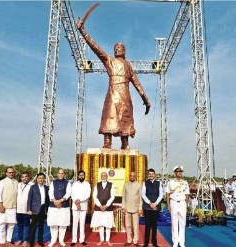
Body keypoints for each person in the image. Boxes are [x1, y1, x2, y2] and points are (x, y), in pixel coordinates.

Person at [76, 19, 151, 150]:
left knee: (125, 117)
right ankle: (107, 141)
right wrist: (82, 30)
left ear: (124, 51)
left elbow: (137, 83)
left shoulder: (128, 65)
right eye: (115, 48)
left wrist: (145, 99)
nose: (117, 49)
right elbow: (95, 47)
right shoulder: (109, 61)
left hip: (125, 95)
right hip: (112, 92)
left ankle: (125, 143)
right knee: (109, 116)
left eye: (120, 48)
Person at [166, 165, 190, 247]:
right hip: (174, 202)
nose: (180, 173)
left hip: (182, 203)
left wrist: (185, 204)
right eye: (178, 172)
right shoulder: (170, 182)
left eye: (181, 172)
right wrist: (168, 206)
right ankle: (175, 242)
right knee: (174, 223)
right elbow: (167, 194)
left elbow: (187, 194)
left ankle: (182, 242)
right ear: (175, 173)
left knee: (183, 223)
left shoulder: (185, 182)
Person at [47, 169, 72, 247]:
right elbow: (50, 192)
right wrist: (55, 201)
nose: (61, 175)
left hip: (64, 206)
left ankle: (61, 240)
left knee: (63, 224)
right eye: (59, 173)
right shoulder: (53, 182)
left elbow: (68, 193)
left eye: (62, 173)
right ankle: (53, 240)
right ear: (57, 174)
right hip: (53, 206)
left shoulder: (68, 183)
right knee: (53, 224)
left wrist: (60, 201)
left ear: (64, 174)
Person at [90, 172, 115, 246]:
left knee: (108, 224)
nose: (103, 176)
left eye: (105, 175)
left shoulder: (111, 184)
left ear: (107, 176)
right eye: (102, 175)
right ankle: (101, 240)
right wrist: (100, 205)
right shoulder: (97, 185)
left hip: (108, 208)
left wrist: (106, 205)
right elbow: (94, 196)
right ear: (100, 176)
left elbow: (112, 196)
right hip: (99, 207)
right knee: (100, 224)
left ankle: (107, 240)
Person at [0, 167, 19, 245]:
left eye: (12, 172)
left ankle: (9, 240)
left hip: (13, 207)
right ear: (6, 173)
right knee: (2, 225)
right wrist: (1, 206)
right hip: (4, 207)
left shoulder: (16, 182)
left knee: (11, 225)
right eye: (9, 172)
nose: (11, 173)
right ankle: (2, 242)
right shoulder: (2, 182)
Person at [141, 168, 163, 247]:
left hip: (155, 207)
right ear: (148, 175)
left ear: (155, 175)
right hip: (147, 207)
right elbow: (143, 194)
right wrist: (150, 203)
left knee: (154, 225)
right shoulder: (145, 183)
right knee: (147, 225)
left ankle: (154, 243)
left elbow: (161, 195)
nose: (151, 175)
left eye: (152, 174)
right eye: (149, 174)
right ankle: (146, 243)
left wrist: (155, 203)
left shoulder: (159, 183)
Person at [27, 173, 49, 247]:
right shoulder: (33, 187)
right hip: (34, 210)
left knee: (41, 226)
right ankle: (31, 242)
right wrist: (29, 209)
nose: (41, 180)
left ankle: (40, 241)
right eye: (39, 178)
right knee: (33, 227)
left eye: (42, 178)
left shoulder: (46, 188)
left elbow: (48, 200)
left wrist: (48, 210)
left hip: (43, 209)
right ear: (37, 179)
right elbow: (29, 199)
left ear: (44, 179)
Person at [122, 171, 143, 247]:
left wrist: (140, 208)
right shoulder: (126, 184)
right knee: (127, 225)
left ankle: (135, 240)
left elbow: (141, 197)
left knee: (135, 225)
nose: (132, 177)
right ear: (129, 176)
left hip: (136, 208)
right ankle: (129, 240)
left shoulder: (138, 185)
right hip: (127, 208)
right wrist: (123, 207)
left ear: (135, 176)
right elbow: (123, 197)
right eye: (131, 175)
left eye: (133, 176)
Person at [70, 170, 91, 246]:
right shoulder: (74, 184)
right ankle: (74, 240)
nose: (81, 176)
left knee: (82, 224)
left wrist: (80, 201)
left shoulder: (87, 184)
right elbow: (72, 194)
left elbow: (88, 195)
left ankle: (82, 239)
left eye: (82, 175)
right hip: (75, 206)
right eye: (80, 175)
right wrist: (76, 201)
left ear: (84, 176)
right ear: (78, 176)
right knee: (75, 224)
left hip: (83, 206)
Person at [15, 172, 35, 246]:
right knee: (19, 225)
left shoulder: (32, 185)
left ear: (29, 177)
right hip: (18, 209)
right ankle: (20, 239)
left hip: (27, 209)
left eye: (26, 176)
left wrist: (31, 209)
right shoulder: (18, 185)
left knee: (27, 225)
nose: (24, 178)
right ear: (21, 178)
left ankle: (26, 240)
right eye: (22, 177)